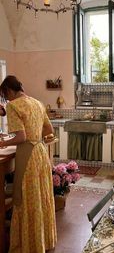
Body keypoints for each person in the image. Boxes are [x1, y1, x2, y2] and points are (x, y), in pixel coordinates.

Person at [0, 75, 57, 253]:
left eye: (4, 95)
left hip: (27, 156)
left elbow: (21, 137)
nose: (6, 99)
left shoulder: (13, 106)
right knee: (40, 197)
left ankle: (28, 244)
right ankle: (43, 241)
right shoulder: (37, 103)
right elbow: (49, 129)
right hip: (40, 152)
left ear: (9, 90)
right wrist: (35, 136)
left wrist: (2, 143)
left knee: (24, 199)